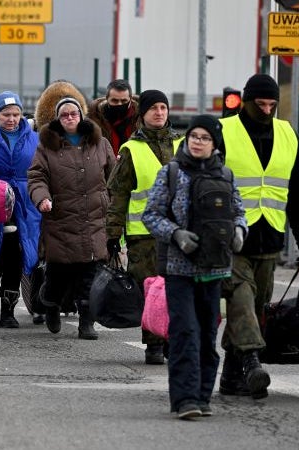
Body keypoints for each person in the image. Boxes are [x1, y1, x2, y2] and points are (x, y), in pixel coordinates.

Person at [217, 74, 299, 400]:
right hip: (232, 238)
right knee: (241, 298)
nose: (267, 110)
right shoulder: (225, 132)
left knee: (255, 308)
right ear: (245, 102)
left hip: (270, 237)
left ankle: (232, 378)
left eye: (272, 105)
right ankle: (252, 362)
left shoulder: (287, 134)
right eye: (260, 104)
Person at [142, 114, 247, 419]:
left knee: (206, 337)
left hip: (214, 269)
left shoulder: (225, 175)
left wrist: (240, 231)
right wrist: (175, 234)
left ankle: (202, 397)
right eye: (194, 137)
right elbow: (152, 215)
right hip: (179, 269)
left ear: (215, 143)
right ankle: (184, 399)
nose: (198, 142)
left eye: (205, 138)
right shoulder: (171, 173)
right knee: (185, 333)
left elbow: (239, 212)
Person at [28, 97, 115, 338]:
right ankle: (51, 302)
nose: (69, 118)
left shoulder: (100, 143)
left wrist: (111, 203)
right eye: (64, 114)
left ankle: (86, 322)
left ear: (81, 115)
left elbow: (114, 178)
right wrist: (42, 198)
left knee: (90, 273)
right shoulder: (47, 146)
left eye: (73, 113)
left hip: (94, 219)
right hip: (61, 219)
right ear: (58, 118)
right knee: (59, 274)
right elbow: (36, 177)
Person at [106, 89, 181, 365]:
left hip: (178, 234)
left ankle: (173, 339)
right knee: (150, 289)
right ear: (143, 114)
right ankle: (153, 342)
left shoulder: (183, 145)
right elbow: (118, 196)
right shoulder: (131, 150)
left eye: (163, 108)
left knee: (177, 288)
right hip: (143, 235)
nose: (159, 113)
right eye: (153, 108)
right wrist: (113, 234)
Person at [0, 91, 41, 327]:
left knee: (17, 254)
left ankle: (8, 311)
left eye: (16, 114)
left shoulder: (33, 137)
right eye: (6, 114)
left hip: (24, 203)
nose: (12, 119)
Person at [87, 79, 139, 157]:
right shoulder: (94, 119)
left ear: (130, 99)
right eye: (114, 101)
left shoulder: (140, 118)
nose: (119, 104)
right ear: (107, 98)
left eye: (124, 101)